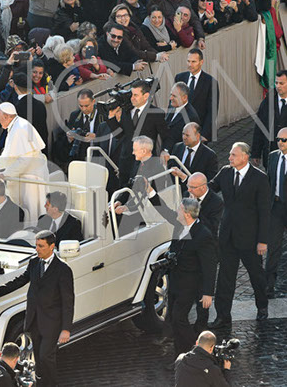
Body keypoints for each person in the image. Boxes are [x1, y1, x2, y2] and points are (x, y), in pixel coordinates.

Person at [0, 230, 74, 387]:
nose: (37, 249)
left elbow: (68, 301)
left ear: (52, 246)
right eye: (36, 245)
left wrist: (66, 329)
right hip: (34, 320)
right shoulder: (34, 262)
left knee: (46, 356)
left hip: (52, 323)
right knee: (39, 359)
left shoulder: (63, 269)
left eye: (41, 246)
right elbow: (20, 280)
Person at [208, 142, 270, 329]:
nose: (229, 158)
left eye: (233, 155)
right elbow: (210, 189)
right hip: (227, 236)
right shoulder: (225, 172)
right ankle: (223, 315)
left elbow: (264, 212)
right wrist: (192, 183)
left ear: (245, 156)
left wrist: (262, 241)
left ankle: (262, 306)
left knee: (256, 275)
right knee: (225, 278)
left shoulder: (259, 178)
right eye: (230, 154)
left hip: (250, 238)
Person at [152, 195, 218, 358]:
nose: (176, 212)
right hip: (175, 282)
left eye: (179, 209)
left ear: (187, 214)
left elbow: (209, 266)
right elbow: (164, 211)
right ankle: (181, 356)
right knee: (174, 320)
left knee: (179, 319)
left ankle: (197, 352)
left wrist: (208, 293)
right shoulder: (180, 225)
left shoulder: (203, 235)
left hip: (190, 285)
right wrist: (151, 193)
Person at [0, 103, 48, 225]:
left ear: (6, 116)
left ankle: (32, 231)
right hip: (25, 175)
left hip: (30, 177)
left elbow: (25, 159)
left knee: (32, 209)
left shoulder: (20, 128)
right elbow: (15, 155)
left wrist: (6, 174)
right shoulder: (16, 125)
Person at [106, 78, 170, 184]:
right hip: (126, 161)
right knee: (124, 191)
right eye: (131, 94)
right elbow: (120, 135)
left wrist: (165, 150)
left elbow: (166, 136)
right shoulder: (126, 111)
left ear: (146, 96)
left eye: (136, 95)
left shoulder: (156, 113)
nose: (132, 98)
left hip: (145, 163)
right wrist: (111, 119)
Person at [266, 127, 287, 298]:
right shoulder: (273, 157)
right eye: (278, 139)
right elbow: (268, 182)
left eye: (284, 140)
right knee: (273, 247)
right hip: (276, 207)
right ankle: (269, 286)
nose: (280, 142)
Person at [252, 71, 287, 167]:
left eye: (281, 83)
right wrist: (256, 152)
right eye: (276, 83)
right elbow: (259, 127)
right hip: (270, 152)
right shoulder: (267, 102)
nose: (278, 86)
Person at [165, 82, 200, 148]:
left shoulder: (191, 117)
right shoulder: (172, 105)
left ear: (184, 98)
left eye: (174, 96)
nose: (171, 98)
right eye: (171, 95)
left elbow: (189, 143)